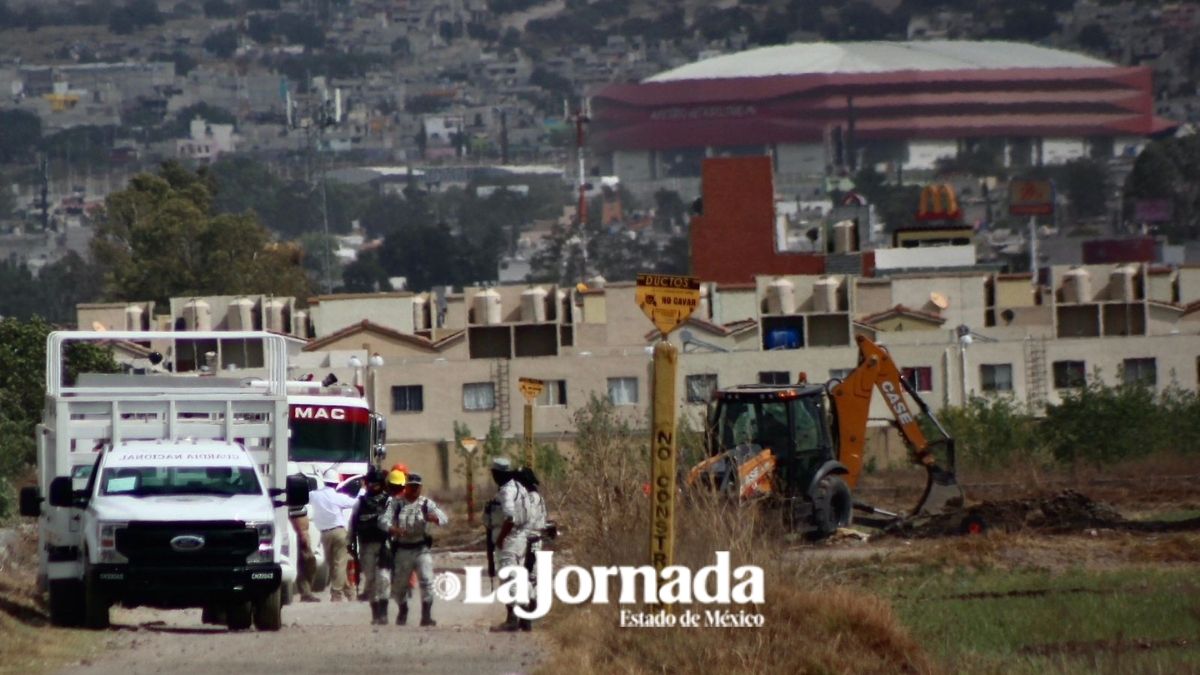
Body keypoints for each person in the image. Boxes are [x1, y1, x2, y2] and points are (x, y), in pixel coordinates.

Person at [379, 473, 447, 627]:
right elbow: (383, 520)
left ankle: (426, 616)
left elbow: (444, 518)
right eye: (411, 486)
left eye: (417, 487)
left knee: (427, 580)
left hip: (421, 548)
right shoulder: (397, 504)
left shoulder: (426, 504)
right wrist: (393, 529)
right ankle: (403, 610)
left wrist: (435, 519)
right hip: (403, 549)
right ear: (406, 487)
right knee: (400, 585)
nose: (414, 490)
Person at [485, 457, 529, 632]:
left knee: (508, 578)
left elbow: (509, 517)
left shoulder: (506, 491)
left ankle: (512, 619)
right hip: (520, 538)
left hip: (509, 540)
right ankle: (525, 617)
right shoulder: (520, 488)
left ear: (498, 474)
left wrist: (501, 538)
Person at [348, 467, 392, 624]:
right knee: (371, 580)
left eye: (376, 483)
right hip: (366, 545)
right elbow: (352, 525)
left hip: (384, 544)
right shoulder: (360, 503)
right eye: (370, 483)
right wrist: (350, 544)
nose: (373, 486)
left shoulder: (389, 502)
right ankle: (375, 613)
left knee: (384, 578)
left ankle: (384, 612)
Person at [308, 468, 358, 601]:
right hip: (339, 532)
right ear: (336, 484)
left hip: (324, 535)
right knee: (340, 565)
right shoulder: (338, 497)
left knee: (334, 565)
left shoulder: (314, 495)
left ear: (324, 482)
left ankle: (347, 593)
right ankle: (339, 593)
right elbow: (355, 503)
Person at [514, 467, 546, 632]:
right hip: (536, 541)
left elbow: (525, 521)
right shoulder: (538, 498)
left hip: (528, 541)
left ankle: (527, 613)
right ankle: (529, 612)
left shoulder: (529, 499)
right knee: (531, 578)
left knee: (525, 577)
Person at [287, 463, 320, 603]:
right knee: (308, 562)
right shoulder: (292, 498)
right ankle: (305, 592)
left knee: (307, 563)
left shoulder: (297, 498)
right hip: (298, 535)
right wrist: (302, 534)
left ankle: (305, 591)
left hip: (301, 534)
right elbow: (296, 519)